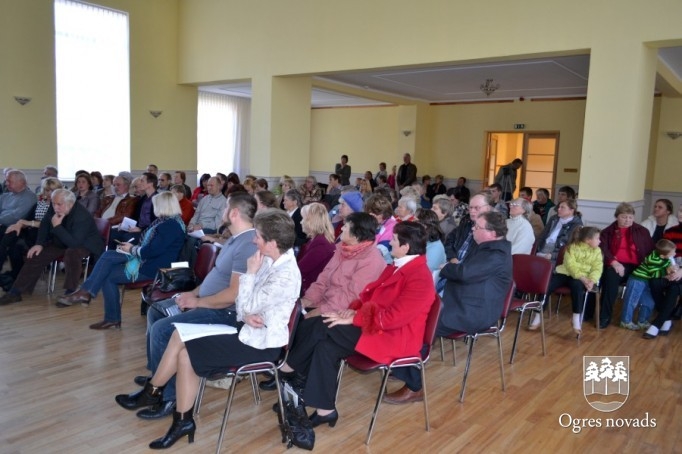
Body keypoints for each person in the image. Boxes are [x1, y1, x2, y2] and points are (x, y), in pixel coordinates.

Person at [115, 209, 301, 449]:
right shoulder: (268, 259)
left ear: (272, 243)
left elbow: (243, 304)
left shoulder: (284, 273)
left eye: (259, 236)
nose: (254, 240)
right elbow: (245, 307)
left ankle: (157, 396)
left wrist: (250, 278)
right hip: (247, 330)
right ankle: (177, 415)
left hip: (262, 345)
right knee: (180, 338)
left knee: (186, 351)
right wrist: (247, 308)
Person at [279, 221, 434, 422]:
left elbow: (393, 319)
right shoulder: (398, 266)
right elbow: (370, 298)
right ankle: (325, 411)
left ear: (405, 247)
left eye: (393, 240)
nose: (389, 243)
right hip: (376, 328)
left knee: (322, 324)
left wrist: (355, 317)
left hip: (394, 338)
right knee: (325, 347)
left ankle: (287, 368)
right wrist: (349, 312)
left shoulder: (420, 278)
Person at [129, 194, 258, 419]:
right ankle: (158, 376)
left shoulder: (247, 244)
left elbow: (233, 295)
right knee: (156, 310)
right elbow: (216, 277)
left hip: (223, 313)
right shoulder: (235, 239)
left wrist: (196, 302)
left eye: (226, 207)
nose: (224, 211)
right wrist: (192, 293)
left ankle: (168, 398)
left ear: (235, 213)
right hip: (207, 301)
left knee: (163, 329)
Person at [385, 211, 511, 405]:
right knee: (413, 317)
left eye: (477, 227)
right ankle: (407, 364)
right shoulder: (487, 247)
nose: (472, 229)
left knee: (420, 325)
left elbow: (464, 272)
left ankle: (414, 386)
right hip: (462, 302)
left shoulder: (496, 254)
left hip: (474, 312)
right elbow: (462, 268)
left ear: (492, 233)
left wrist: (446, 268)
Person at [59, 192, 186, 328]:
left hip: (154, 267)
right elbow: (150, 248)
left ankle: (94, 299)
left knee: (108, 269)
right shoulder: (166, 221)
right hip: (147, 259)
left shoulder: (170, 225)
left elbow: (152, 251)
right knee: (108, 259)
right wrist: (132, 247)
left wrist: (131, 249)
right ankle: (93, 300)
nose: (153, 208)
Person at [0, 189, 104, 305]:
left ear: (70, 203)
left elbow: (74, 243)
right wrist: (39, 244)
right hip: (62, 240)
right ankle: (16, 291)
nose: (55, 207)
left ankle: (71, 292)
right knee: (36, 254)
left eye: (59, 204)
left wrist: (57, 226)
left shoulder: (82, 216)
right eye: (53, 204)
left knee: (72, 253)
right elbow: (45, 224)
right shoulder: (55, 206)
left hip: (84, 244)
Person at [537, 226, 603, 335]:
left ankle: (576, 318)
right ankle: (537, 314)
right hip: (565, 273)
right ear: (588, 240)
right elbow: (570, 265)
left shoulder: (597, 251)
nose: (599, 241)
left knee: (576, 287)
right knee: (547, 286)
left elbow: (597, 268)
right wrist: (582, 278)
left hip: (583, 278)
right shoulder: (572, 247)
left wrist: (592, 280)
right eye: (597, 238)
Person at [599, 202, 654, 329]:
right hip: (616, 264)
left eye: (630, 217)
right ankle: (605, 317)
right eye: (624, 217)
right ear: (617, 216)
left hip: (637, 265)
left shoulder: (642, 231)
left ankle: (636, 318)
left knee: (646, 281)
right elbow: (603, 250)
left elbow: (651, 250)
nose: (627, 220)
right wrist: (614, 262)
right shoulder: (607, 232)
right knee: (610, 280)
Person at [0, 177, 63, 283]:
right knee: (11, 236)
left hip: (47, 236)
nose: (50, 193)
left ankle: (15, 278)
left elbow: (49, 225)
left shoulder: (58, 206)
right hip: (32, 232)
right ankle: (16, 278)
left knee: (14, 243)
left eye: (53, 190)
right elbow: (27, 219)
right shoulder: (40, 203)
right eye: (48, 190)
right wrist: (19, 225)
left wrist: (26, 223)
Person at [620, 239, 676, 331]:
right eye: (672, 253)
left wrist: (672, 270)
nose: (674, 254)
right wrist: (667, 271)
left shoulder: (666, 258)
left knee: (649, 302)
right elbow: (654, 274)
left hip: (648, 281)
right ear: (662, 255)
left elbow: (665, 268)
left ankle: (643, 321)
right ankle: (625, 321)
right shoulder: (653, 259)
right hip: (637, 279)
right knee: (632, 301)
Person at [297, 202, 336, 295]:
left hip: (311, 290)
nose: (301, 222)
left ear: (311, 221)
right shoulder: (316, 239)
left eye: (303, 218)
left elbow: (301, 269)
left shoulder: (321, 243)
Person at [535, 199, 583, 265]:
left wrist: (553, 255)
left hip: (557, 255)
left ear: (571, 210)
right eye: (559, 207)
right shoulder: (554, 218)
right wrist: (535, 249)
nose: (558, 209)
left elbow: (570, 247)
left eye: (562, 207)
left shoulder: (577, 225)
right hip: (542, 248)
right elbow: (543, 235)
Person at [0, 170, 37, 240]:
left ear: (21, 182)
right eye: (6, 181)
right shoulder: (5, 196)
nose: (6, 184)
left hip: (13, 228)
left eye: (9, 181)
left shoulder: (29, 197)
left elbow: (16, 217)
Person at [365, 193, 397, 263]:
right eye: (370, 213)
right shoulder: (374, 222)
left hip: (382, 262)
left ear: (384, 213)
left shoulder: (392, 225)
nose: (373, 216)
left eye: (376, 213)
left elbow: (381, 249)